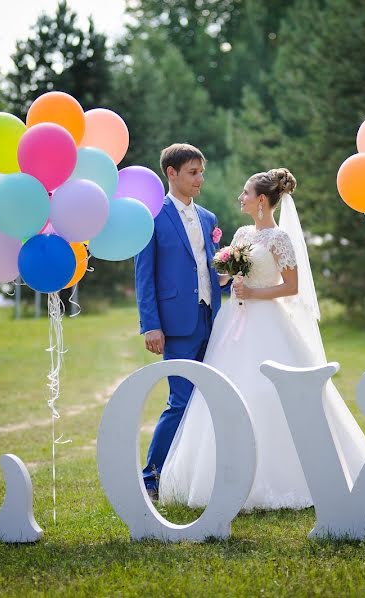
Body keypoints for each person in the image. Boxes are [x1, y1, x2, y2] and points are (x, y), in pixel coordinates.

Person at [159, 168, 365, 510]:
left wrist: (253, 293)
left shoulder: (279, 239)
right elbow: (227, 277)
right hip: (234, 324)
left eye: (246, 193)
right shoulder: (241, 232)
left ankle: (286, 478)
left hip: (268, 322)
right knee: (226, 391)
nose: (241, 198)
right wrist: (226, 278)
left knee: (267, 393)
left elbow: (291, 287)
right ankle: (221, 477)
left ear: (262, 201)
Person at [133, 143, 224, 502]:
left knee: (209, 400)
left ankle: (194, 474)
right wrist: (150, 325)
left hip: (210, 320)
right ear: (171, 173)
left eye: (201, 172)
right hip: (175, 324)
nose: (200, 178)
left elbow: (211, 268)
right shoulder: (152, 216)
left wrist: (236, 271)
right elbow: (145, 276)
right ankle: (151, 475)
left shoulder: (208, 218)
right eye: (193, 172)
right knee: (182, 399)